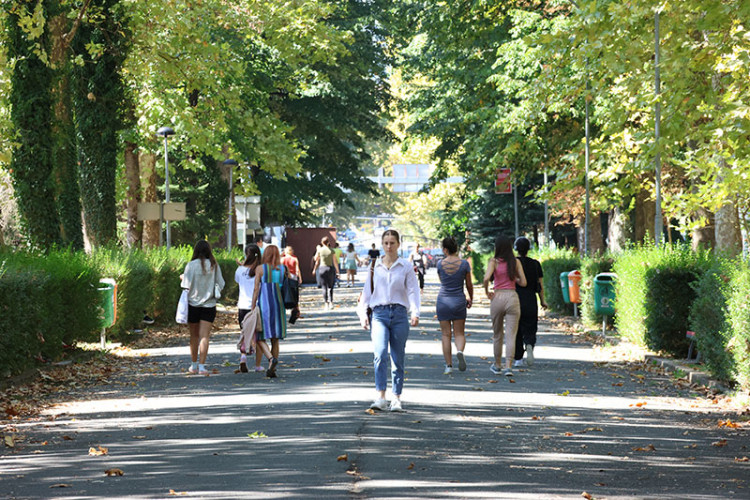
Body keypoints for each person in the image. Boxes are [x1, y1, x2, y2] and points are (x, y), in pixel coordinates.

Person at [357, 229, 420, 412]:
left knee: (397, 357)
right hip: (379, 314)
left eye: (392, 243)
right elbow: (367, 293)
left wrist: (415, 312)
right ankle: (381, 396)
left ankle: (396, 398)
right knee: (380, 354)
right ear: (382, 244)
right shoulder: (374, 266)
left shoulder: (406, 267)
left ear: (398, 244)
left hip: (400, 314)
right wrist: (363, 315)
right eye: (386, 243)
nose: (389, 246)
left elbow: (412, 291)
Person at [482, 235, 527, 377]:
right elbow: (524, 283)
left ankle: (497, 365)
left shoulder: (493, 262)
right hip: (513, 297)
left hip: (498, 297)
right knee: (511, 335)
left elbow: (486, 278)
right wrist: (515, 279)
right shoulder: (516, 262)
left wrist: (486, 291)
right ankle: (508, 367)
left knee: (497, 334)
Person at [180, 240, 225, 376]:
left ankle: (193, 365)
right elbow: (221, 283)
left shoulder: (191, 265)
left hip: (193, 304)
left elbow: (185, 284)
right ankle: (202, 366)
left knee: (193, 336)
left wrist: (181, 277)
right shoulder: (213, 265)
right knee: (204, 336)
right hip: (209, 304)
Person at [235, 244, 275, 373]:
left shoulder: (239, 271)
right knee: (258, 336)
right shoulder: (260, 270)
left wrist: (241, 266)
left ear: (246, 255)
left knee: (245, 333)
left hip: (242, 306)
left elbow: (238, 281)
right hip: (258, 306)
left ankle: (243, 357)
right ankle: (258, 365)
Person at [436, 237, 473, 374]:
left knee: (446, 334)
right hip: (458, 301)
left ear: (445, 249)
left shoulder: (440, 264)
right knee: (459, 333)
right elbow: (469, 284)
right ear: (456, 248)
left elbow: (442, 281)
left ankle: (448, 366)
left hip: (443, 301)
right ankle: (459, 351)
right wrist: (471, 298)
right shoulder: (464, 264)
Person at [250, 245, 287, 377]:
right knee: (275, 339)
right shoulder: (283, 269)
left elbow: (256, 289)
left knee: (260, 336)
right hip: (279, 305)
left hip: (265, 305)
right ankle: (273, 368)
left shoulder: (260, 269)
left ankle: (271, 359)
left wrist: (252, 306)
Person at [513, 237, 547, 367]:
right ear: (528, 249)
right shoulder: (535, 264)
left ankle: (518, 358)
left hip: (515, 299)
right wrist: (543, 301)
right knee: (530, 326)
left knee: (516, 329)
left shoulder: (513, 264)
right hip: (531, 299)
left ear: (516, 249)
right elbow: (540, 286)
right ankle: (529, 344)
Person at [312, 236, 339, 310]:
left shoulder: (320, 250)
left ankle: (326, 303)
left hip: (322, 269)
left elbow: (315, 259)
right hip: (330, 268)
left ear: (322, 242)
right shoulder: (331, 250)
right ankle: (331, 303)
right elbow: (335, 261)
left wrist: (314, 269)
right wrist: (337, 271)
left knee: (324, 287)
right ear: (328, 242)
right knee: (330, 286)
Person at [281, 246, 302, 323]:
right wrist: (300, 277)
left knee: (286, 293)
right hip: (293, 277)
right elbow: (297, 269)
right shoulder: (294, 259)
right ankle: (295, 309)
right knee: (295, 294)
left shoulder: (282, 259)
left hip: (286, 277)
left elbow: (281, 268)